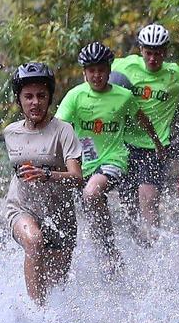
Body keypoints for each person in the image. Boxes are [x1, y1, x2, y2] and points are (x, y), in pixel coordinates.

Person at [56, 43, 156, 270]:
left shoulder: (124, 96)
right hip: (86, 162)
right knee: (92, 207)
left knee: (92, 193)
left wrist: (156, 144)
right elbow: (59, 127)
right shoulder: (75, 96)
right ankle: (110, 256)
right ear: (84, 73)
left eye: (101, 70)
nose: (97, 75)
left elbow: (142, 118)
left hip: (115, 159)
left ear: (109, 70)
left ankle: (113, 252)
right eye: (91, 70)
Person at [2, 62, 83, 306]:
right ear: (19, 100)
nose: (35, 102)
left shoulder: (64, 131)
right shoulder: (10, 133)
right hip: (22, 208)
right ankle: (34, 315)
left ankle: (48, 318)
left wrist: (47, 174)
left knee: (56, 287)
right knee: (34, 241)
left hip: (60, 215)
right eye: (28, 97)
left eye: (41, 96)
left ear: (49, 99)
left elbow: (78, 179)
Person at [115, 23, 179, 233]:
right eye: (148, 53)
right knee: (128, 206)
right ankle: (137, 244)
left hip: (155, 147)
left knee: (148, 201)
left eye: (158, 54)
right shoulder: (124, 66)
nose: (153, 59)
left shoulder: (175, 75)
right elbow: (95, 74)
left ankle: (154, 249)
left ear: (165, 52)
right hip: (124, 144)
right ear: (140, 50)